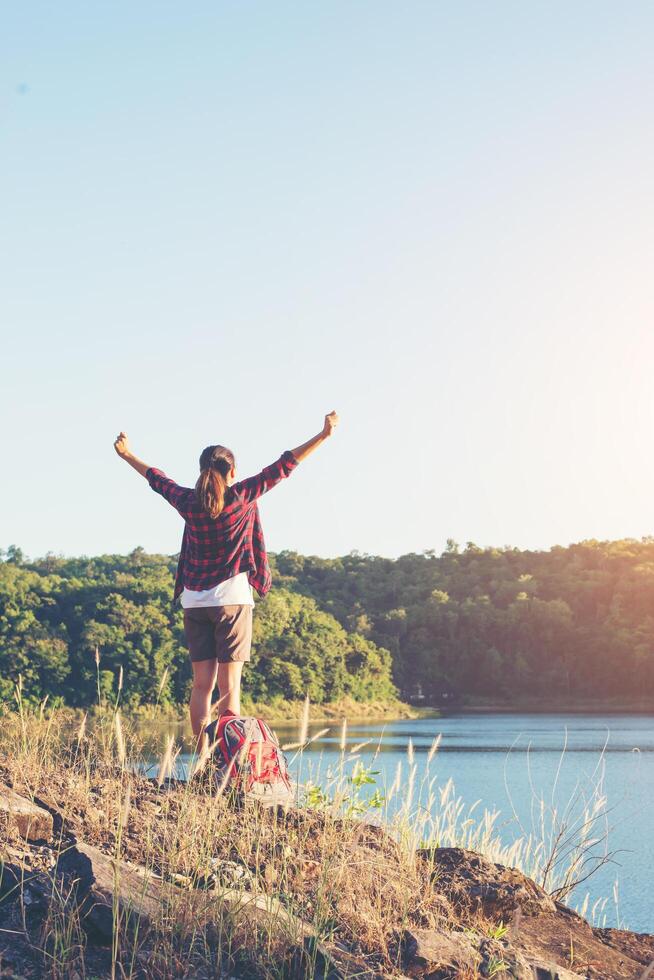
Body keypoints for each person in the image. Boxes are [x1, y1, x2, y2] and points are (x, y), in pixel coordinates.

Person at [113, 412, 339, 748]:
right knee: (229, 688)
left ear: (201, 471)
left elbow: (157, 479)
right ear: (232, 472)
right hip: (231, 601)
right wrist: (323, 436)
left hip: (194, 601)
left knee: (201, 685)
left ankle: (203, 760)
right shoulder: (240, 496)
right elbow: (284, 466)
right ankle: (227, 764)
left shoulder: (188, 502)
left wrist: (128, 454)